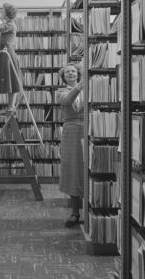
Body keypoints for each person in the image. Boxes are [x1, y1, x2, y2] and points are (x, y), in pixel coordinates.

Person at [56, 63, 84, 227]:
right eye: (67, 72)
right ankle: (75, 213)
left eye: (73, 71)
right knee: (73, 169)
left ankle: (92, 208)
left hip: (89, 128)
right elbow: (67, 102)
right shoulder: (60, 92)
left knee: (87, 167)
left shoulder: (88, 89)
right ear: (63, 76)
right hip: (72, 130)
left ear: (78, 74)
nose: (71, 74)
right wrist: (80, 87)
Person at [0, 3, 21, 113]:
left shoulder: (10, 25)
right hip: (5, 51)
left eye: (2, 10)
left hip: (7, 51)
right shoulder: (8, 24)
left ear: (7, 13)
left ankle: (11, 106)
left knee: (12, 78)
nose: (0, 12)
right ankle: (10, 105)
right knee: (9, 77)